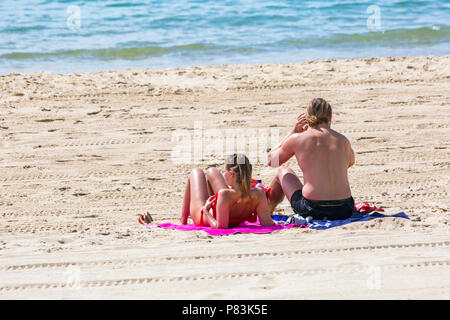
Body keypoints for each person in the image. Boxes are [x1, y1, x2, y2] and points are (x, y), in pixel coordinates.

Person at [266, 98, 355, 220]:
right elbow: (350, 162)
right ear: (330, 116)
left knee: (282, 171)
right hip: (345, 208)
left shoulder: (298, 138)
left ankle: (266, 212)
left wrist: (292, 132)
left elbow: (272, 161)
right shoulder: (343, 140)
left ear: (307, 117)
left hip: (314, 209)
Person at [179, 153, 274, 229]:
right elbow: (267, 223)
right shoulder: (259, 193)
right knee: (212, 171)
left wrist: (206, 211)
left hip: (204, 218)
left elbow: (220, 227)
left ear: (232, 174)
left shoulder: (225, 194)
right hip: (232, 217)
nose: (223, 174)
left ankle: (182, 221)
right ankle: (213, 206)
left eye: (225, 171)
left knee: (196, 172)